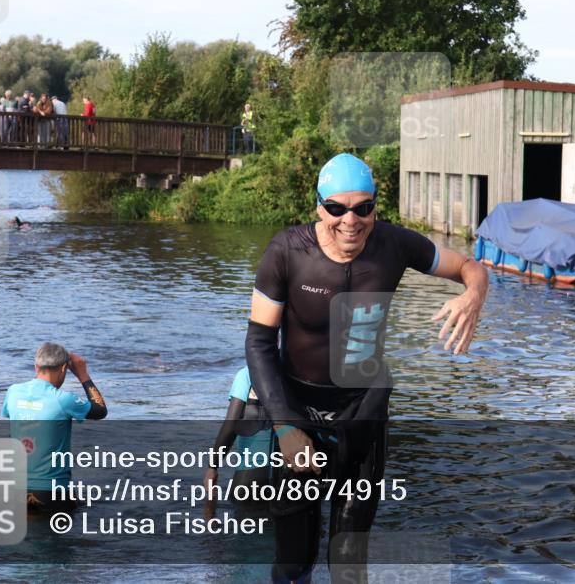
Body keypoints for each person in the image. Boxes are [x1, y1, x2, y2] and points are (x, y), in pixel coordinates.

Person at [246, 153, 488, 583]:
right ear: (319, 206)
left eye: (363, 208)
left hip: (364, 414)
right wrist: (284, 427)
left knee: (348, 563)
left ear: (376, 205)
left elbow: (470, 267)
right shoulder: (287, 251)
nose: (350, 221)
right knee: (293, 559)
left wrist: (473, 296)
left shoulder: (394, 245)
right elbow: (260, 342)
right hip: (299, 412)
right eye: (337, 209)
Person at [1, 342, 108, 513]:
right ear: (64, 368)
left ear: (36, 366)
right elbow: (100, 410)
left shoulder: (13, 392)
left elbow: (12, 414)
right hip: (52, 492)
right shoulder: (63, 399)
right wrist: (83, 375)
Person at [204, 367, 274, 520]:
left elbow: (231, 423)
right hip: (293, 469)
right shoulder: (297, 370)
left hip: (254, 472)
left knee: (243, 533)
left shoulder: (247, 373)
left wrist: (213, 466)